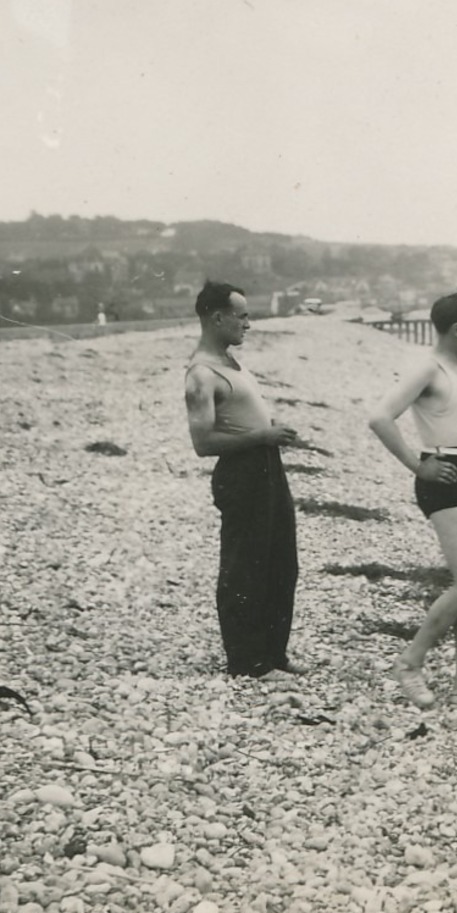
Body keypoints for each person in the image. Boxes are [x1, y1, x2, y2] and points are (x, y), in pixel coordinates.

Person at [367, 291, 457, 712]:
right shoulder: (428, 367)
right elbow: (380, 417)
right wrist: (416, 465)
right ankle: (409, 662)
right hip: (444, 478)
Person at [185, 281, 302, 679]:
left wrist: (268, 434)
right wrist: (263, 436)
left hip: (266, 466)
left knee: (281, 563)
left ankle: (273, 654)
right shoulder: (202, 374)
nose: (248, 324)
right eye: (242, 316)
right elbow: (203, 442)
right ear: (217, 318)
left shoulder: (232, 362)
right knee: (245, 567)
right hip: (243, 473)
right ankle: (247, 660)